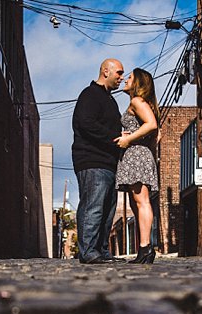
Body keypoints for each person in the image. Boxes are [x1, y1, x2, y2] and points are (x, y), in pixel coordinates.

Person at [72, 58, 126, 265]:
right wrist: (115, 138)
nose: (122, 77)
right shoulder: (90, 94)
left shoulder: (109, 99)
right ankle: (88, 252)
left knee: (107, 209)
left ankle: (102, 251)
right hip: (91, 160)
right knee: (92, 206)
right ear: (106, 71)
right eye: (119, 73)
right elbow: (85, 123)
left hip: (109, 163)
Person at [115, 68, 160, 264]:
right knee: (137, 203)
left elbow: (152, 125)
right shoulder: (143, 103)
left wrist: (130, 140)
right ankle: (144, 249)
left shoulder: (137, 101)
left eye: (130, 77)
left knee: (142, 202)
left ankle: (145, 249)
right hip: (138, 154)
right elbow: (157, 136)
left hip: (137, 156)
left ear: (139, 82)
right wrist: (134, 140)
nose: (125, 80)